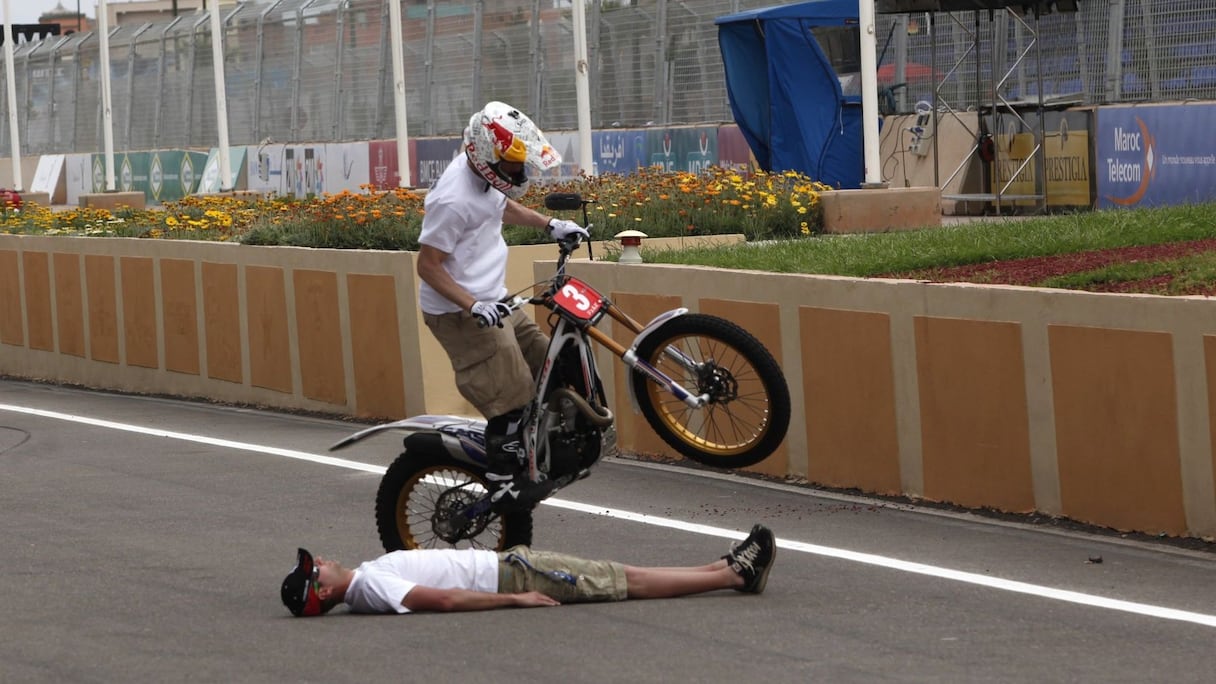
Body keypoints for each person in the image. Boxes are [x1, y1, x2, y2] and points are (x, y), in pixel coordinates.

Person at [415, 100, 588, 513]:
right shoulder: (451, 200)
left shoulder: (487, 179)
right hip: (459, 313)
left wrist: (551, 225)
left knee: (552, 362)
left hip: (496, 299)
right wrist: (473, 306)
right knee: (511, 395)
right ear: (486, 156)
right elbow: (427, 265)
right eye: (513, 165)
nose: (521, 172)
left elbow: (501, 206)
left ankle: (549, 448)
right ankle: (503, 480)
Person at [281, 524, 776, 616]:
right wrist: (515, 598)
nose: (320, 563)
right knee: (624, 580)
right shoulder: (372, 588)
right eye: (315, 573)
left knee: (617, 572)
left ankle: (721, 566)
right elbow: (446, 600)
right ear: (321, 596)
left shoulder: (366, 578)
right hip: (513, 577)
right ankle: (735, 576)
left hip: (508, 567)